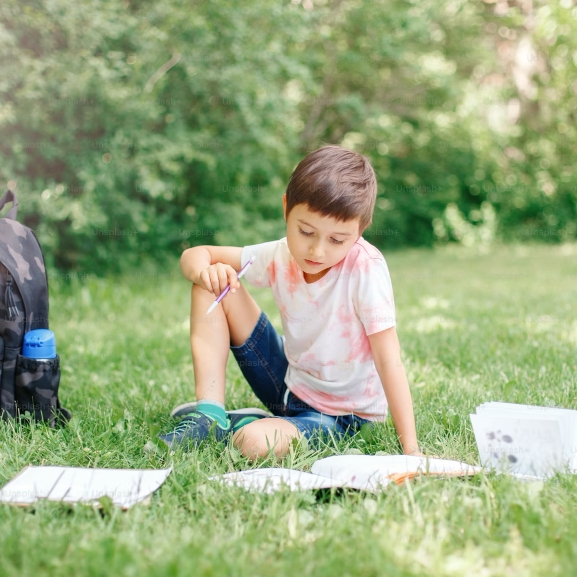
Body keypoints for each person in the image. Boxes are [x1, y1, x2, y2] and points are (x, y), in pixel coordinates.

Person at [159, 145, 423, 459]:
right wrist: (206, 271)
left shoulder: (365, 270)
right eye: (306, 231)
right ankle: (210, 413)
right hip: (285, 384)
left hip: (341, 418)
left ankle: (256, 425)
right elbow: (195, 255)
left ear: (360, 230)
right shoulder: (281, 253)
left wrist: (411, 449)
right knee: (213, 281)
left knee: (254, 443)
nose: (317, 251)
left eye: (337, 240)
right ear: (287, 208)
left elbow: (388, 360)